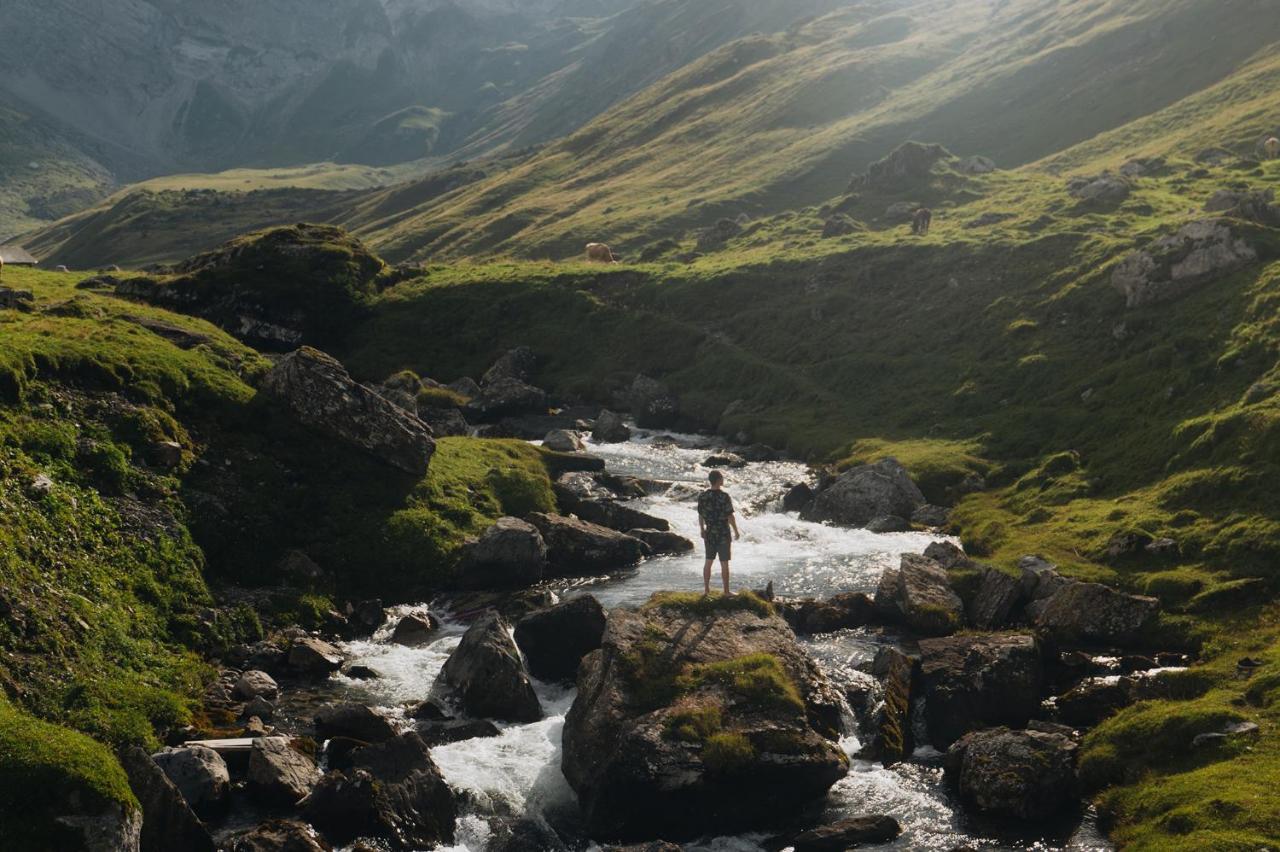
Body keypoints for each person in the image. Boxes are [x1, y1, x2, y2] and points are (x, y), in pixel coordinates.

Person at [697, 469, 740, 596]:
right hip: (723, 533)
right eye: (722, 478)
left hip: (709, 532)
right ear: (718, 480)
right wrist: (736, 531)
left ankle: (706, 591)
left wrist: (702, 529)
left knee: (708, 561)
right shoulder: (724, 496)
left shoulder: (703, 496)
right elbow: (730, 516)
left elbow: (700, 515)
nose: (723, 479)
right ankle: (726, 592)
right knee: (724, 563)